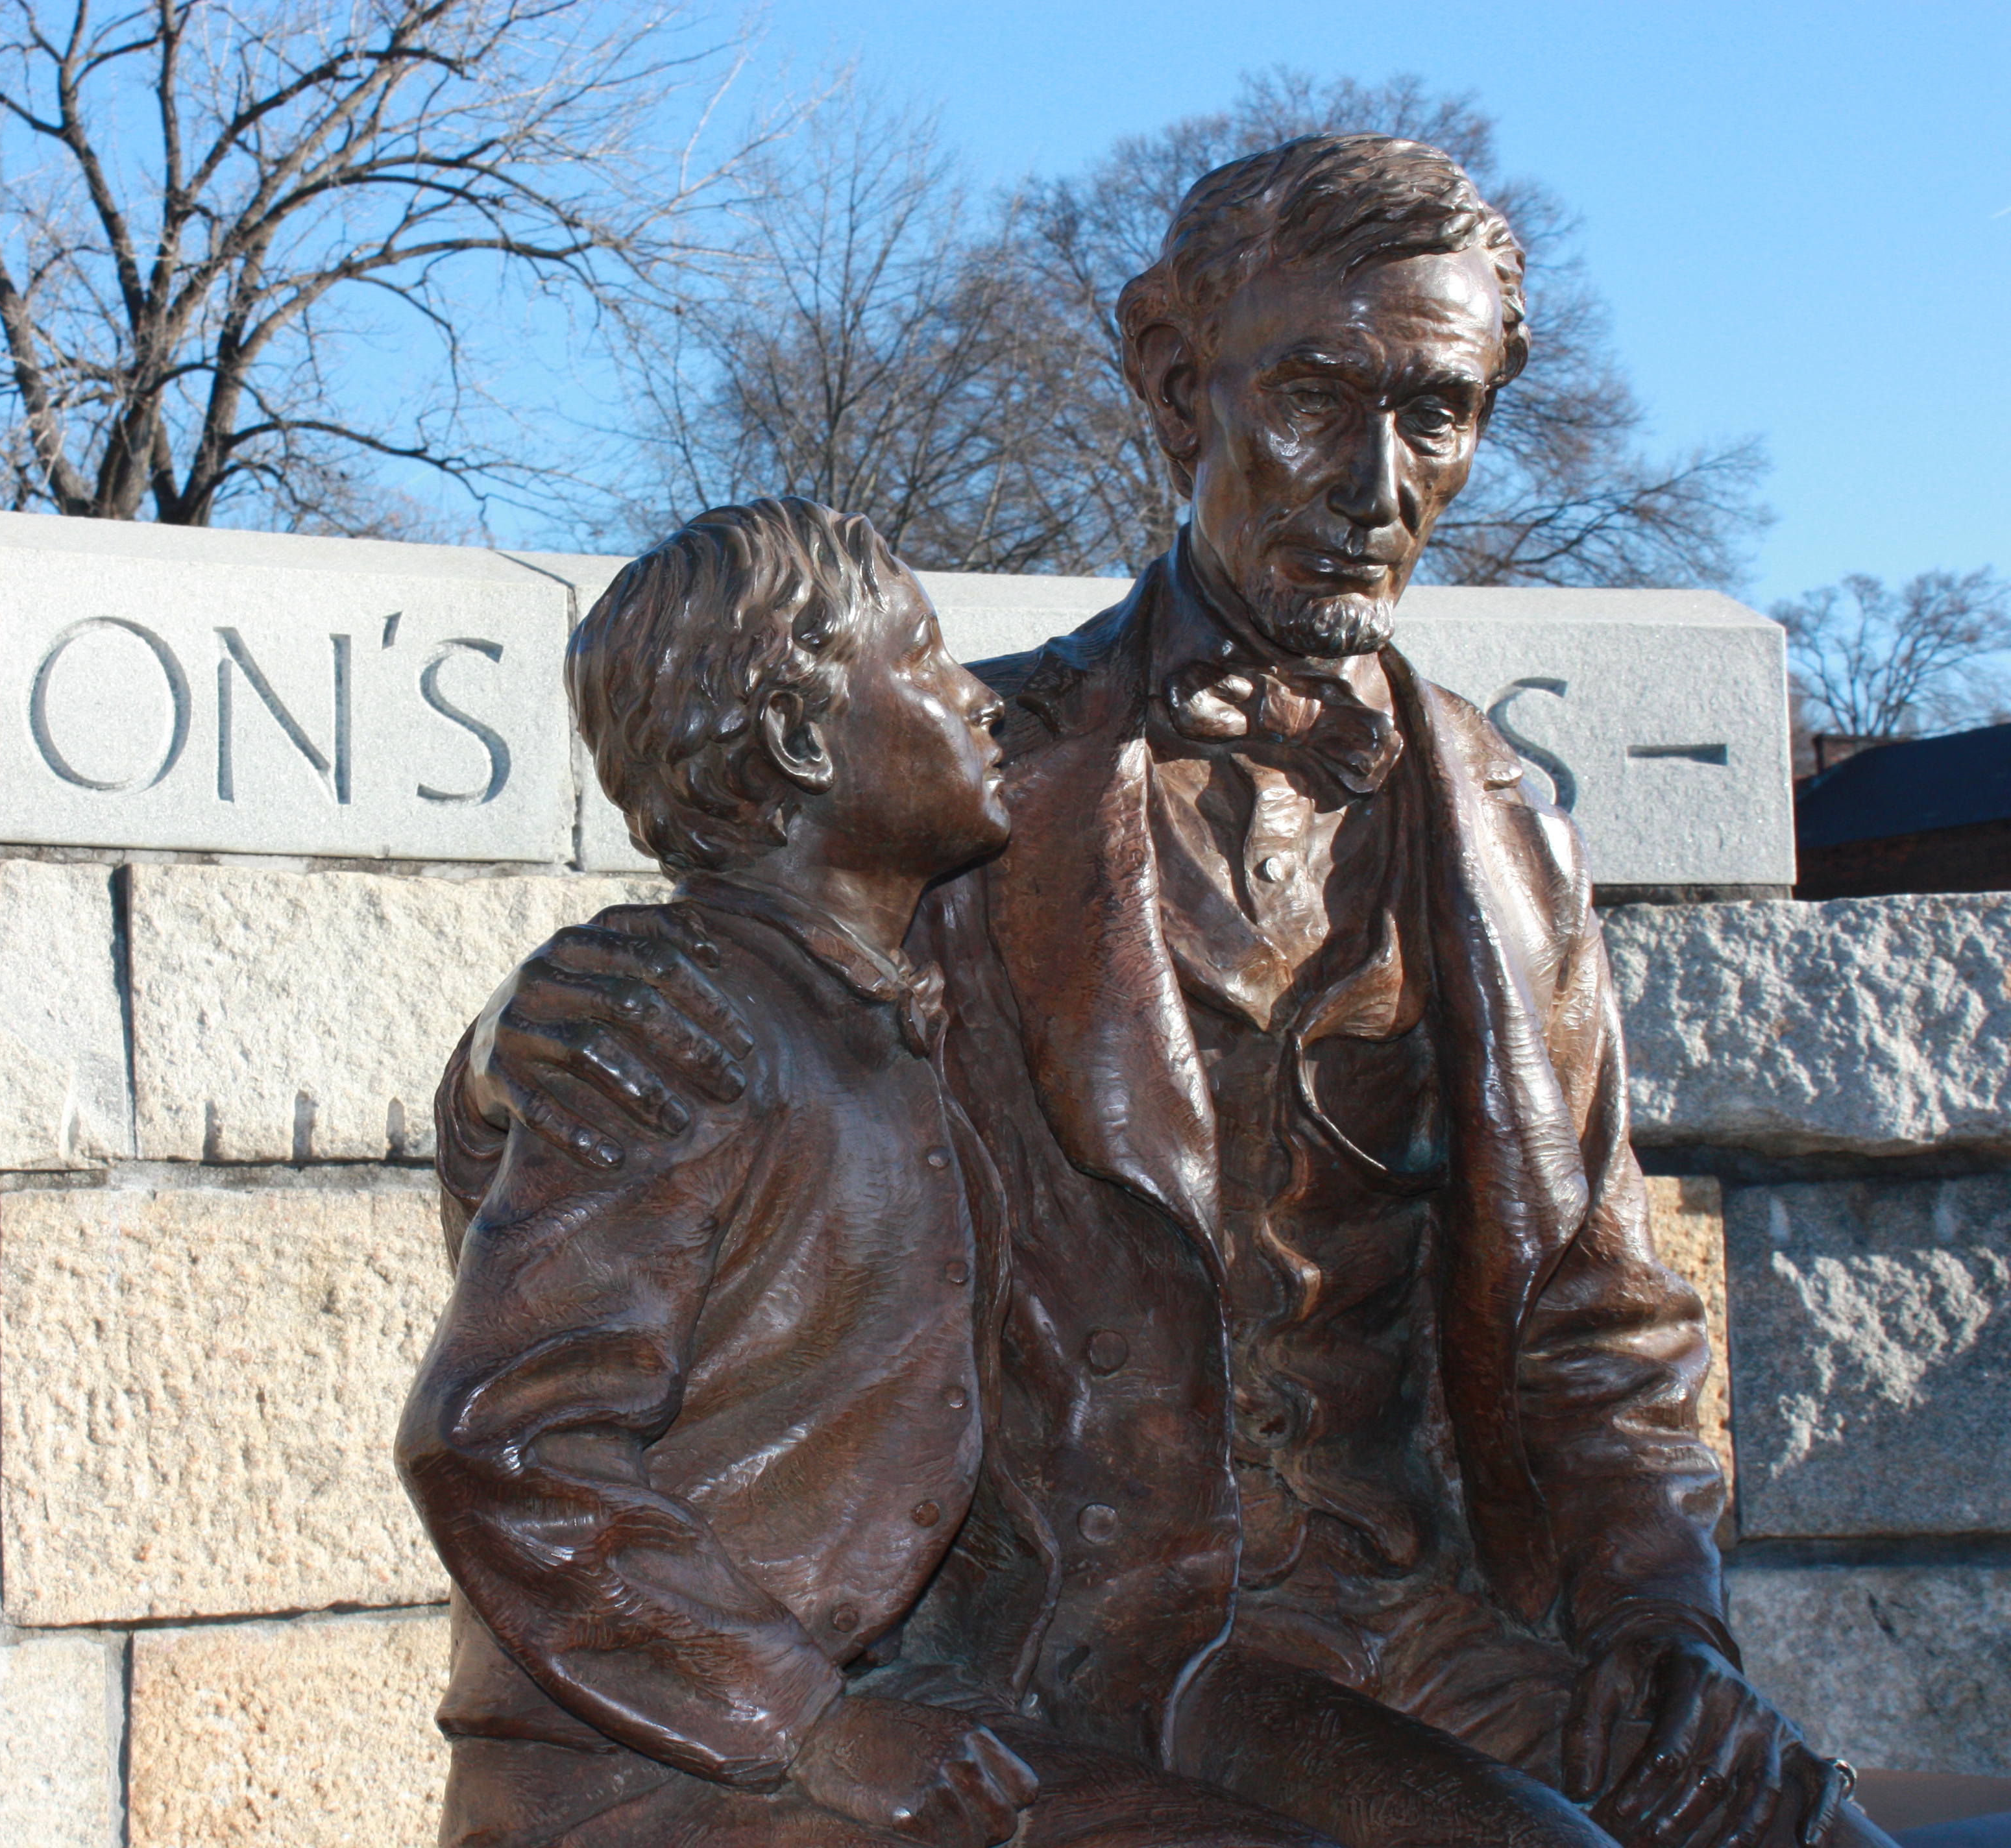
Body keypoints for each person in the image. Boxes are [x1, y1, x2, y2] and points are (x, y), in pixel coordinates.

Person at [430, 138, 1893, 1848]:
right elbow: (696, 1035)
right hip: (1120, 1645)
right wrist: (510, 1053)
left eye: (1438, 413)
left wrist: (1663, 1632)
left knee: (1810, 1834)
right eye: (1316, 396)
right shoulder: (962, 785)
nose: (1377, 483)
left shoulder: (1510, 836)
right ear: (1178, 383)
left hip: (1444, 1626)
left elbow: (1597, 1323)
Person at [400, 498, 1332, 1848]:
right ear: (798, 735)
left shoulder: (873, 1006)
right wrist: (811, 1723)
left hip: (887, 1704)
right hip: (649, 1776)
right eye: (928, 657)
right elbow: (497, 1439)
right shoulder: (674, 1024)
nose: (981, 700)